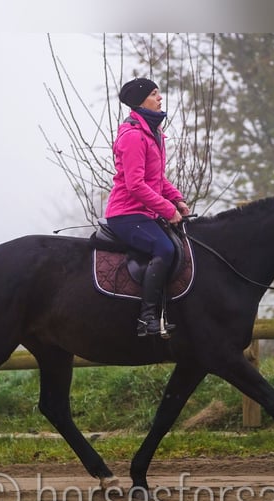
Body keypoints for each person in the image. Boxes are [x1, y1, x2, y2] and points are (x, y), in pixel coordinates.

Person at [105, 77, 191, 337]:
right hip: (125, 214)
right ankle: (147, 318)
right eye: (155, 94)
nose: (160, 98)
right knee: (163, 248)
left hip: (145, 212)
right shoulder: (132, 136)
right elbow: (135, 185)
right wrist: (167, 210)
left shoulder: (153, 134)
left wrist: (177, 199)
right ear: (141, 101)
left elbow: (157, 178)